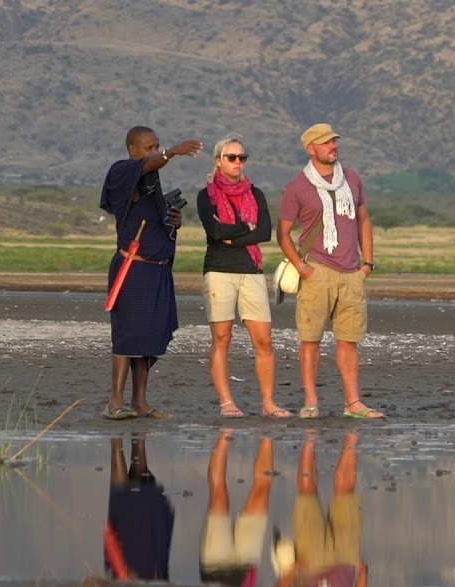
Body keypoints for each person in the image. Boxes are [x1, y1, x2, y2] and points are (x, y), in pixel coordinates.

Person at [277, 123, 385, 420]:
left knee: (349, 340)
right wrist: (302, 268)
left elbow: (364, 220)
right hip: (317, 271)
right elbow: (283, 233)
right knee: (310, 339)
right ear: (311, 148)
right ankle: (311, 402)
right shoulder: (297, 186)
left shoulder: (352, 178)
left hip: (352, 272)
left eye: (334, 141)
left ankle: (353, 403)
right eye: (325, 142)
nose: (333, 146)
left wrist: (367, 264)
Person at [99, 126, 202, 421]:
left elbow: (153, 214)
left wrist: (173, 221)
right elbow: (149, 163)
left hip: (158, 270)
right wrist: (173, 151)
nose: (156, 151)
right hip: (133, 267)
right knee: (128, 335)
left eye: (158, 145)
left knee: (149, 338)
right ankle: (114, 402)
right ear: (133, 150)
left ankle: (140, 402)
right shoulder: (122, 172)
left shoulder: (150, 182)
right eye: (149, 147)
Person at [196, 135, 291, 419]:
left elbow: (263, 232)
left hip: (251, 270)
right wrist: (243, 228)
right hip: (218, 271)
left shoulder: (256, 193)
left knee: (264, 340)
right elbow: (215, 233)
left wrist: (233, 235)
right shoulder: (207, 195)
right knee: (222, 338)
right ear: (218, 161)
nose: (238, 162)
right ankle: (227, 403)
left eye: (242, 157)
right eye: (231, 157)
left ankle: (268, 403)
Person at [273, 432, 369, 587]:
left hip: (310, 566)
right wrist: (364, 576)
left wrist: (293, 572)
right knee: (346, 491)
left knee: (307, 493)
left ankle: (309, 439)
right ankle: (351, 437)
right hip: (347, 565)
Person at [190, 429, 275, 587]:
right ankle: (267, 434)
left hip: (215, 565)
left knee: (219, 494)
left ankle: (223, 437)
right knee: (262, 492)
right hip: (246, 563)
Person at [96, 434, 176, 587]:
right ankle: (135, 439)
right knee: (139, 504)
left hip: (124, 575)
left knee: (124, 503)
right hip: (143, 574)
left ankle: (119, 440)